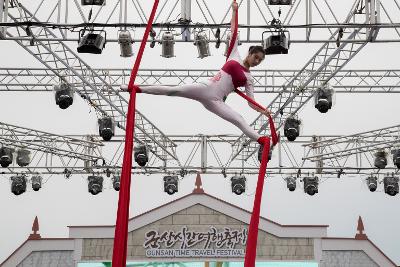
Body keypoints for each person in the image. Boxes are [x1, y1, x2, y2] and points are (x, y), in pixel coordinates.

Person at [121, 1, 271, 152]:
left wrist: (261, 110)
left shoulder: (249, 79)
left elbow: (251, 102)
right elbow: (233, 29)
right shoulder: (234, 54)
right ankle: (135, 88)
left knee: (239, 119)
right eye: (256, 57)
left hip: (216, 101)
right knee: (175, 91)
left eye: (260, 60)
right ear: (250, 53)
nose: (257, 62)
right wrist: (234, 11)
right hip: (206, 88)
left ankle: (262, 140)